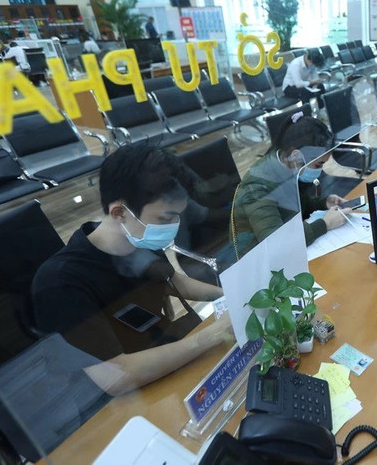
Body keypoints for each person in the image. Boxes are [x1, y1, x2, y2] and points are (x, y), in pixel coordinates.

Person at [32, 145, 232, 395]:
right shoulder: (61, 283)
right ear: (120, 213)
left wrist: (229, 296)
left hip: (165, 355)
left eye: (178, 216)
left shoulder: (138, 240)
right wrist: (212, 334)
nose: (174, 226)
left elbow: (173, 281)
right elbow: (116, 376)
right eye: (165, 218)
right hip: (120, 397)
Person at [230, 113, 351, 260]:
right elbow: (276, 244)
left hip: (285, 245)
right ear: (296, 156)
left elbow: (294, 207)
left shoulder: (289, 166)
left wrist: (323, 203)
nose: (320, 170)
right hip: (256, 259)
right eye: (318, 164)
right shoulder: (256, 188)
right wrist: (325, 224)